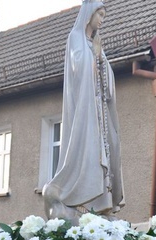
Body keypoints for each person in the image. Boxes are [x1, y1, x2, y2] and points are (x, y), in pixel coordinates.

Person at [42, 0, 124, 222]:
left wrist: (100, 58)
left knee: (103, 153)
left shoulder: (95, 42)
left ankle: (101, 204)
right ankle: (79, 199)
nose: (101, 20)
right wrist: (94, 56)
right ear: (89, 14)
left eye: (104, 16)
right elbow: (78, 68)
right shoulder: (75, 38)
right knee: (87, 152)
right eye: (100, 15)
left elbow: (106, 78)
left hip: (98, 112)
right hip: (84, 111)